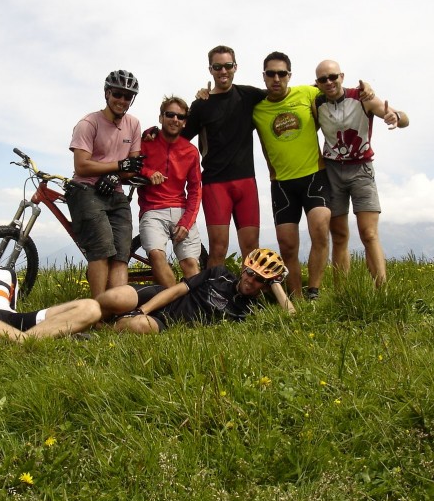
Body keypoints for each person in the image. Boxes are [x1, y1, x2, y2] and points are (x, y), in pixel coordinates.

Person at [313, 59, 409, 287]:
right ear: (317, 83)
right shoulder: (316, 103)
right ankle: (342, 293)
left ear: (342, 76)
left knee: (369, 233)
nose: (329, 82)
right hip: (332, 171)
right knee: (339, 235)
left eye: (333, 77)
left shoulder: (362, 97)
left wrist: (394, 117)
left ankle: (382, 290)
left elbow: (404, 119)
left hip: (362, 170)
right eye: (323, 79)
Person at [251, 51, 333, 300]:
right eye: (271, 73)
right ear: (263, 77)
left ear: (290, 75)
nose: (276, 78)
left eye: (282, 73)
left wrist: (368, 93)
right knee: (287, 245)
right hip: (282, 184)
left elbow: (337, 90)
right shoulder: (256, 108)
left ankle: (314, 290)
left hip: (314, 176)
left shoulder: (308, 93)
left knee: (320, 229)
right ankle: (296, 295)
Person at [181, 45, 267, 266]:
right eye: (217, 67)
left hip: (246, 181)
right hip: (215, 183)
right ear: (210, 69)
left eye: (228, 66)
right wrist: (154, 135)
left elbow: (282, 95)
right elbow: (180, 137)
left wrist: (320, 91)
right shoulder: (202, 105)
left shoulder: (248, 95)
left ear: (235, 67)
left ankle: (252, 298)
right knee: (218, 249)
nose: (223, 71)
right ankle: (212, 297)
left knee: (251, 247)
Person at [66, 69, 145, 299]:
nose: (122, 100)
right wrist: (118, 168)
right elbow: (82, 166)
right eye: (117, 94)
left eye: (127, 96)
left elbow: (133, 165)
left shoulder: (133, 124)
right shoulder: (88, 123)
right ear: (107, 94)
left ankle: (115, 308)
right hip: (86, 189)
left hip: (116, 191)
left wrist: (116, 175)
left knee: (122, 252)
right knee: (100, 249)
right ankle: (97, 311)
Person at [97, 248, 295, 334]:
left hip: (167, 322)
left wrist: (275, 283)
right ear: (244, 269)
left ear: (265, 285)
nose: (251, 280)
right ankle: (91, 314)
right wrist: (144, 309)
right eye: (250, 273)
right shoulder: (219, 273)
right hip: (163, 298)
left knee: (138, 325)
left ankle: (100, 330)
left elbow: (291, 318)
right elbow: (177, 290)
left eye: (260, 279)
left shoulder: (251, 311)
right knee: (115, 296)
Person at [137, 95, 203, 288]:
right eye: (170, 114)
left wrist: (187, 221)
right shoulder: (145, 143)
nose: (175, 119)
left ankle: (195, 307)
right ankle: (175, 305)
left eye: (180, 117)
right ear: (161, 118)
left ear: (184, 123)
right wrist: (148, 172)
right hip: (152, 209)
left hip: (182, 210)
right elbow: (131, 166)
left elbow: (195, 190)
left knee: (189, 262)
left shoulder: (191, 151)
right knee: (156, 255)